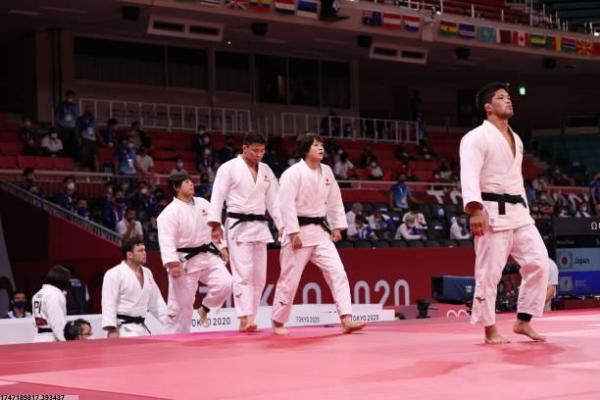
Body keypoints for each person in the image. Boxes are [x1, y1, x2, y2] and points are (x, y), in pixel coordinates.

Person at [460, 82, 548, 344]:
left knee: (539, 263)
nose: (508, 101)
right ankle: (490, 329)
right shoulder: (475, 137)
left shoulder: (516, 138)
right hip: (491, 213)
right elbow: (469, 174)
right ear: (488, 107)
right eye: (501, 98)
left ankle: (523, 320)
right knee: (489, 274)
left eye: (509, 97)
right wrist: (475, 210)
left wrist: (526, 210)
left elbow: (515, 181)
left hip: (519, 213)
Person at [271, 133, 365, 335]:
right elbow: (285, 204)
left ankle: (346, 319)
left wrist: (337, 226)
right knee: (290, 280)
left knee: (337, 272)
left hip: (321, 233)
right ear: (305, 149)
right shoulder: (292, 173)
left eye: (322, 145)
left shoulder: (327, 171)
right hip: (298, 233)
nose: (321, 148)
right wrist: (293, 232)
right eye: (315, 145)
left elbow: (334, 200)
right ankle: (278, 320)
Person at [208, 133, 283, 332]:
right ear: (244, 148)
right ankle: (244, 317)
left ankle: (252, 317)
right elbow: (217, 197)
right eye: (255, 150)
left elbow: (274, 201)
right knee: (243, 274)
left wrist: (282, 225)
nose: (259, 154)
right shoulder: (229, 168)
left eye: (262, 151)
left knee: (259, 277)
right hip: (237, 224)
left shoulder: (266, 170)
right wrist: (215, 224)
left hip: (260, 226)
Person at [157, 174, 233, 333]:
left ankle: (205, 307)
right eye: (186, 182)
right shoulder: (169, 213)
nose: (191, 184)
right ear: (176, 188)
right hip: (184, 261)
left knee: (225, 282)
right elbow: (166, 240)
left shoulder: (203, 203)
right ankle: (175, 337)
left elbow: (216, 226)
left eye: (191, 181)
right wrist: (172, 264)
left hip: (207, 255)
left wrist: (222, 246)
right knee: (182, 305)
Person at [102, 238, 168, 338]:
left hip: (141, 328)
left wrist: (170, 323)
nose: (144, 253)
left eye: (144, 250)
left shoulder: (147, 273)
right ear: (129, 255)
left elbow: (156, 302)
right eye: (140, 251)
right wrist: (111, 329)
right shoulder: (114, 274)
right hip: (122, 329)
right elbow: (109, 303)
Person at [31, 265, 72, 342]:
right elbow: (57, 321)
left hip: (39, 338)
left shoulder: (38, 294)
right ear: (62, 280)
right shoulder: (55, 294)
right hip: (52, 339)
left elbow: (34, 319)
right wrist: (64, 340)